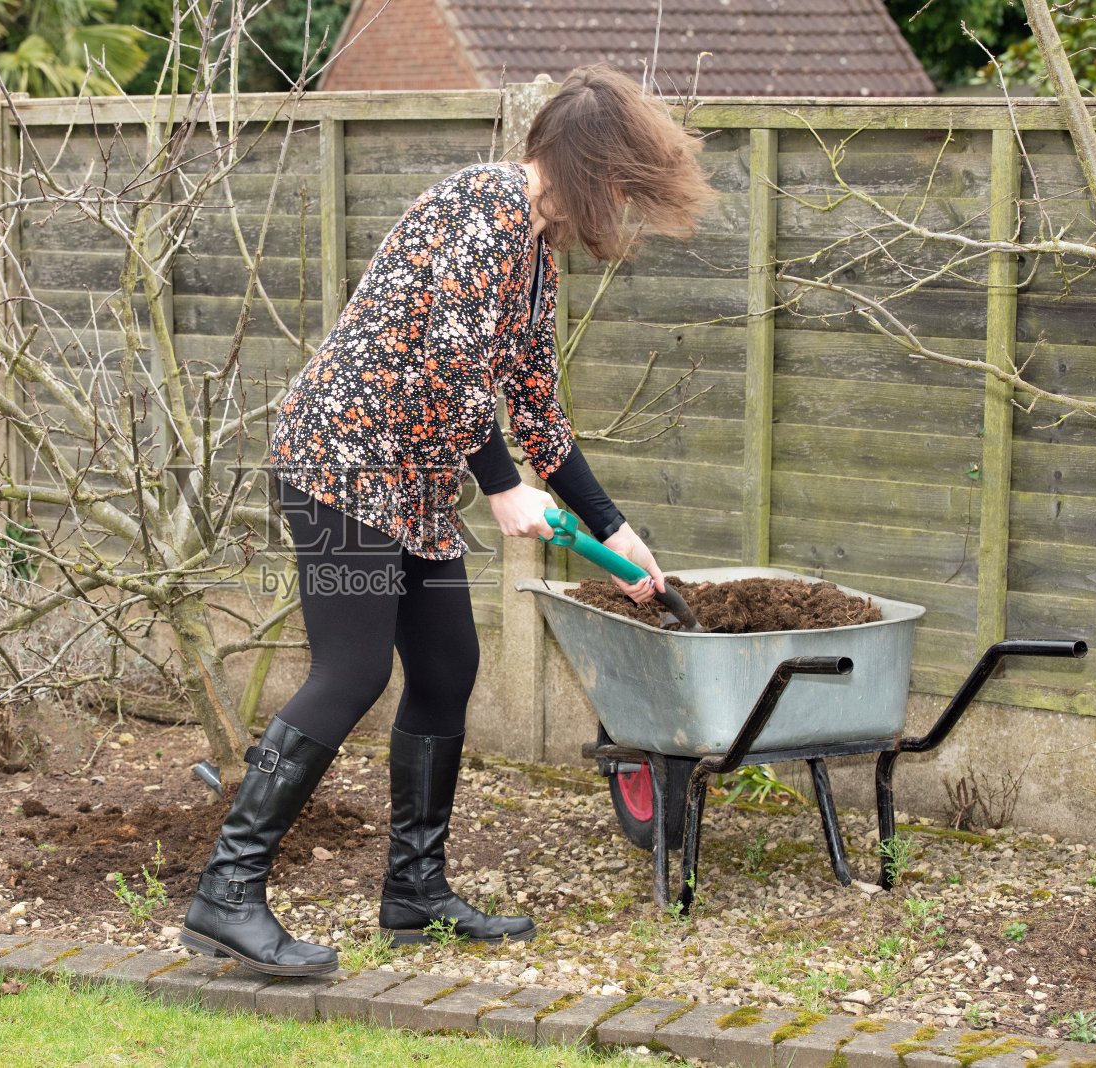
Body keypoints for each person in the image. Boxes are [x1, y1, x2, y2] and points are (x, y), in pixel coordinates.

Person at [180, 65, 716, 976]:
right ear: (587, 165)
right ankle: (226, 894)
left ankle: (413, 890)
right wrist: (503, 485)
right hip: (341, 464)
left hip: (413, 483)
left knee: (446, 665)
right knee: (350, 673)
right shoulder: (483, 206)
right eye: (621, 183)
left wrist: (613, 529)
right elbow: (450, 364)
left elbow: (536, 403)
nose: (621, 205)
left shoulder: (534, 250)